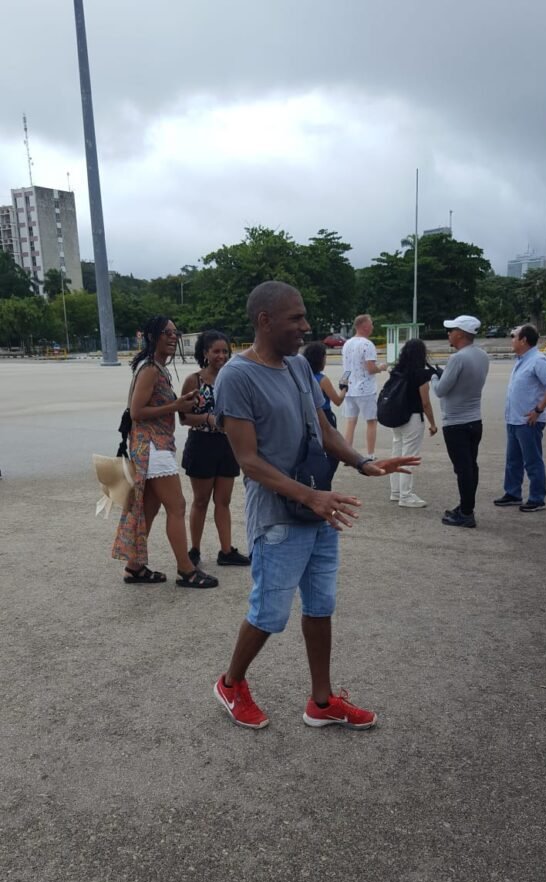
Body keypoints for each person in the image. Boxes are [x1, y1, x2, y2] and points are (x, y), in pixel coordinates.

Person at [212, 281, 420, 731]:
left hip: (318, 507)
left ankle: (321, 703)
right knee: (268, 613)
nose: (306, 327)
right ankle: (231, 683)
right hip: (280, 516)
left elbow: (324, 429)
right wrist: (311, 496)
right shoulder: (237, 376)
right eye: (296, 318)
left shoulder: (296, 367)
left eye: (304, 316)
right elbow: (247, 459)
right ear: (264, 320)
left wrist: (364, 463)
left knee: (321, 605)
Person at [112, 315, 218, 589]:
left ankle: (134, 567)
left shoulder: (157, 367)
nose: (173, 337)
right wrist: (175, 407)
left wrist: (178, 404)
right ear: (152, 337)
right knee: (177, 506)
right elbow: (137, 412)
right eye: (166, 333)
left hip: (153, 445)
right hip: (152, 447)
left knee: (148, 507)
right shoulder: (150, 369)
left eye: (175, 333)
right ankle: (187, 570)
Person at [180, 330, 250, 567]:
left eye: (225, 351)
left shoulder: (233, 378)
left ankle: (226, 550)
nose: (221, 355)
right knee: (200, 501)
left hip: (227, 445)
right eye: (216, 351)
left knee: (224, 501)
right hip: (202, 445)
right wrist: (207, 419)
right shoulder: (195, 380)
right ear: (205, 353)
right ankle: (195, 550)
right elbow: (183, 417)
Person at [493, 324, 546, 512]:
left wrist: (538, 410)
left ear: (524, 340)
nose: (511, 339)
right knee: (513, 460)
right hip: (515, 419)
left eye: (513, 336)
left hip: (529, 421)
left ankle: (537, 498)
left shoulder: (538, 360)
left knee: (532, 461)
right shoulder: (522, 359)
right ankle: (513, 493)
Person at [433, 315, 489, 528]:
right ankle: (466, 506)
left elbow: (440, 390)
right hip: (475, 420)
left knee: (463, 469)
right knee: (470, 466)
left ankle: (466, 512)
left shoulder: (458, 358)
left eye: (451, 330)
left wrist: (434, 377)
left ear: (460, 334)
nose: (448, 334)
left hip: (456, 422)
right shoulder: (482, 356)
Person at [386, 338, 438, 508]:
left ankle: (396, 491)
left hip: (397, 417)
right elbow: (425, 403)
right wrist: (432, 423)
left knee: (397, 454)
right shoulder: (420, 374)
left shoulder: (396, 371)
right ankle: (406, 495)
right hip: (413, 418)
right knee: (409, 457)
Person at [342, 314, 387, 459]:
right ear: (364, 326)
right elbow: (370, 368)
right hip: (365, 389)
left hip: (349, 388)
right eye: (371, 324)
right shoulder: (367, 344)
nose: (373, 327)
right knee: (371, 421)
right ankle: (370, 454)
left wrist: (343, 385)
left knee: (351, 422)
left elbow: (347, 368)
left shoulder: (347, 344)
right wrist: (381, 367)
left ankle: (347, 455)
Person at [301, 341, 349, 477]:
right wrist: (344, 389)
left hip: (307, 417)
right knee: (333, 454)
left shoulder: (303, 377)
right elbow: (337, 401)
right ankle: (325, 479)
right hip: (324, 416)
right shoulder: (322, 379)